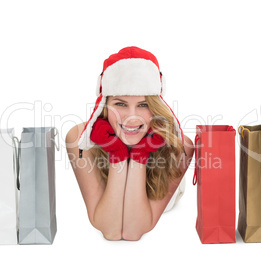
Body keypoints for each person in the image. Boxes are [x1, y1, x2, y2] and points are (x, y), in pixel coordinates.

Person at [66, 46, 193, 241]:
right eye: (120, 104)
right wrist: (116, 153)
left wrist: (141, 154)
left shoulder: (180, 145)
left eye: (143, 105)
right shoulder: (79, 138)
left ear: (156, 106)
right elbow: (111, 230)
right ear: (104, 105)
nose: (132, 117)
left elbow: (133, 232)